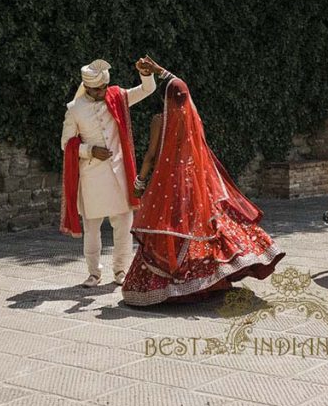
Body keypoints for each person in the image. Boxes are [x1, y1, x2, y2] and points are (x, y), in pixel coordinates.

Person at [120, 72, 285, 306]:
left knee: (172, 231)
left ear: (164, 97)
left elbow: (151, 155)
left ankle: (173, 283)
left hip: (168, 184)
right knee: (199, 230)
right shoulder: (192, 117)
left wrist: (140, 182)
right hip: (194, 183)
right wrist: (161, 70)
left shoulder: (160, 120)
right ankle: (208, 279)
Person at [60, 56, 164, 287]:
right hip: (92, 178)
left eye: (105, 87)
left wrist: (145, 73)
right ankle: (94, 273)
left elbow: (148, 89)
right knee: (92, 229)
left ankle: (120, 271)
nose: (102, 92)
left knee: (123, 227)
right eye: (97, 89)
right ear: (86, 87)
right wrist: (88, 150)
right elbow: (66, 143)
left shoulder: (117, 97)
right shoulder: (75, 109)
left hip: (119, 175)